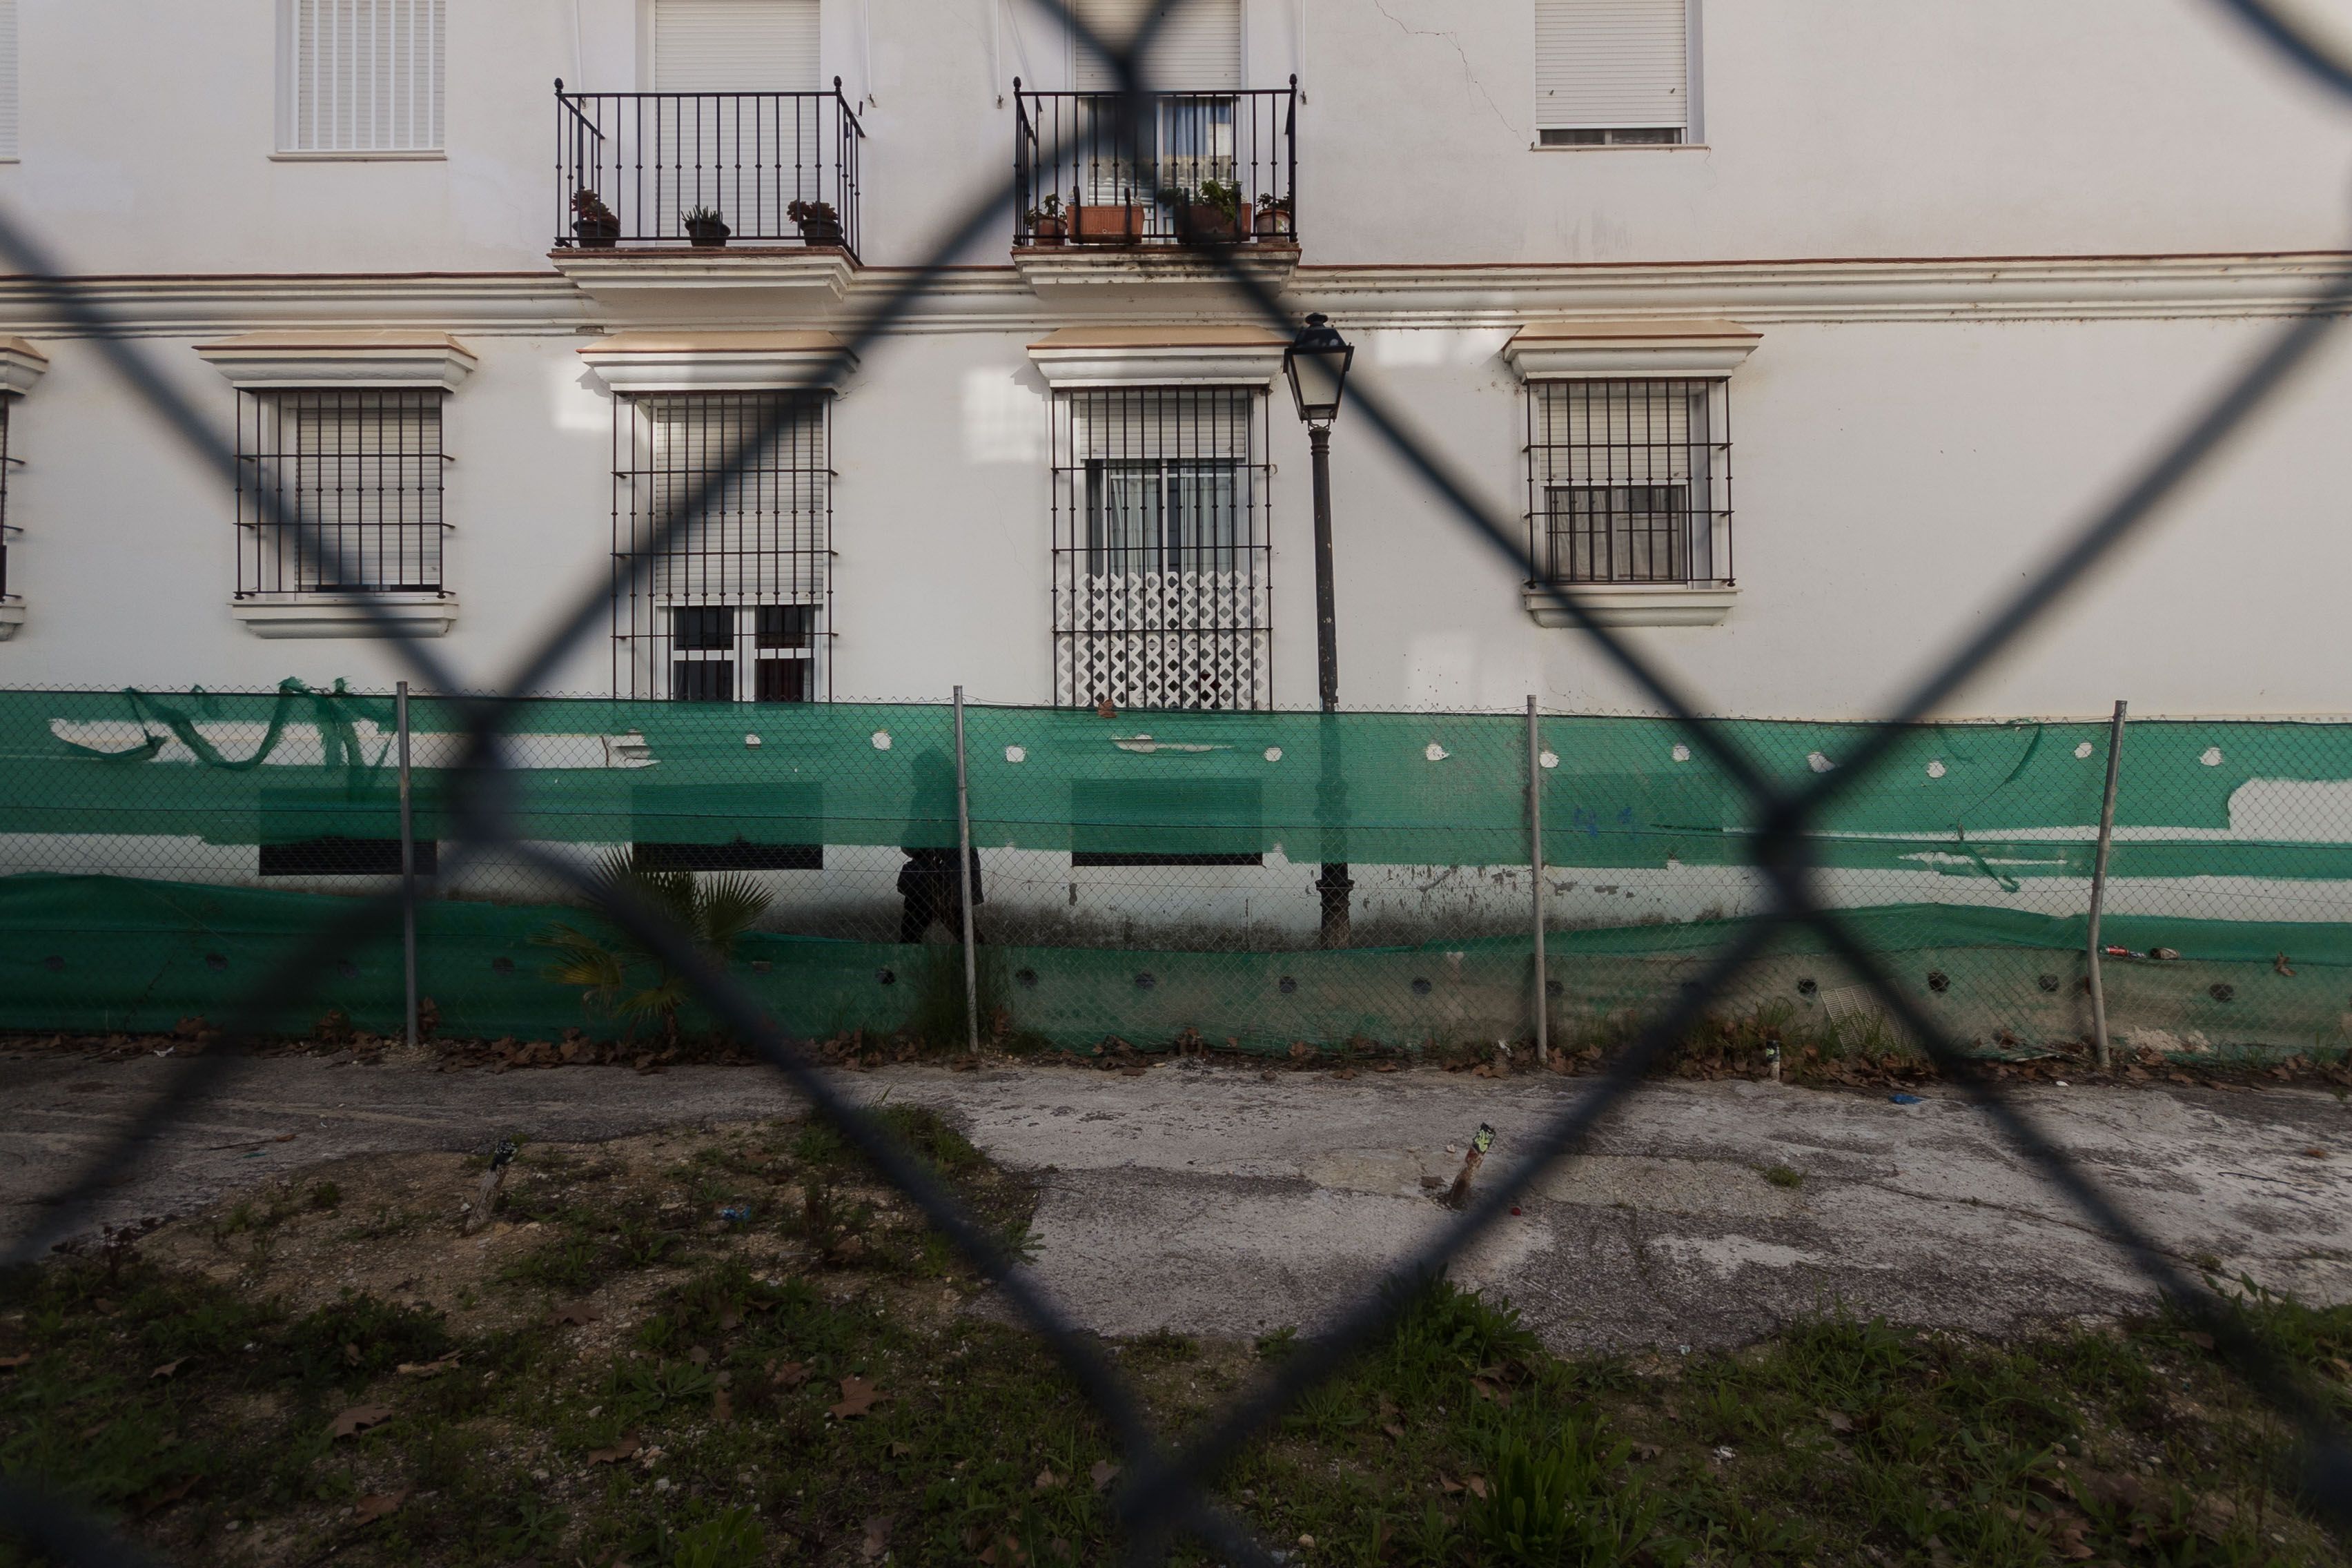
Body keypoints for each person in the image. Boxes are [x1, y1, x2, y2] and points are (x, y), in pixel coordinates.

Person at [897, 748, 983, 943]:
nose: (914, 781)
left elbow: (914, 840)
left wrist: (917, 842)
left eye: (918, 774)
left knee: (913, 933)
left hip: (943, 876)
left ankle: (979, 959)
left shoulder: (944, 800)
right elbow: (914, 839)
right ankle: (980, 959)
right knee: (966, 934)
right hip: (944, 875)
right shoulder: (955, 798)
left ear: (930, 774)